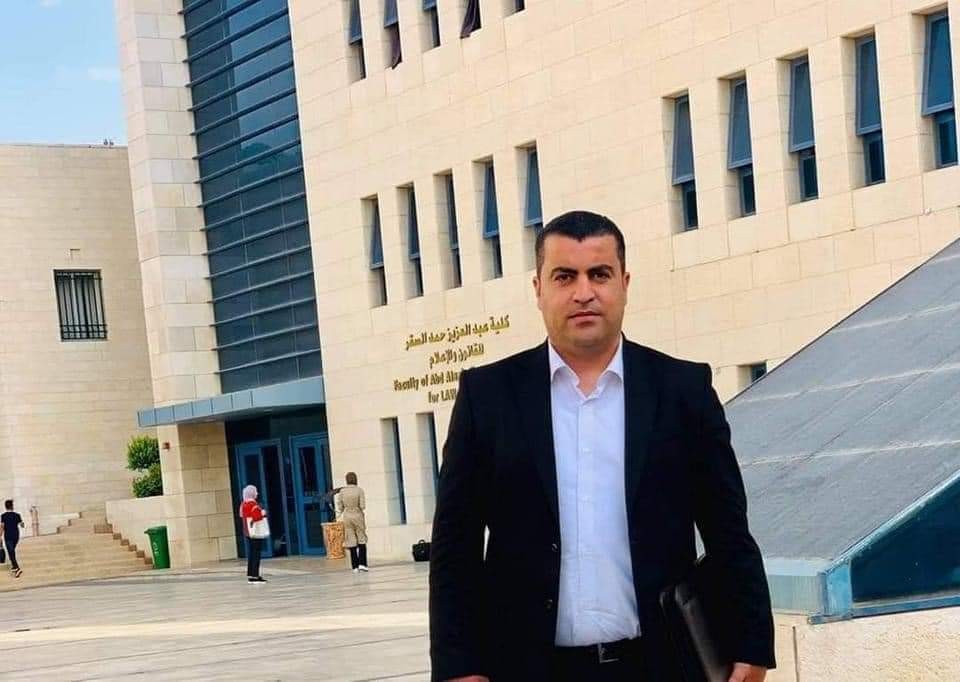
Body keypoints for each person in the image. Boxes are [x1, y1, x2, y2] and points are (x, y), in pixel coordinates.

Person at [429, 211, 775, 681]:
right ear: (538, 288)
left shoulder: (682, 391)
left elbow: (728, 530)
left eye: (599, 274)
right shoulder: (487, 397)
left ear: (624, 284)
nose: (583, 292)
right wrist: (458, 668)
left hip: (661, 666)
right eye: (564, 276)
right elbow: (455, 547)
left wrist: (752, 646)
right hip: (527, 668)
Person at [336, 472, 368, 572]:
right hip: (358, 515)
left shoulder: (342, 491)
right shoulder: (359, 490)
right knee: (361, 538)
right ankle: (362, 563)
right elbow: (362, 506)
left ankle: (355, 566)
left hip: (347, 516)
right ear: (355, 479)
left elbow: (340, 506)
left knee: (351, 540)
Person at [238, 485, 267, 583]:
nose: (257, 494)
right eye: (255, 492)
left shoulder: (243, 504)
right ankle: (255, 575)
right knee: (256, 553)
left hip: (248, 532)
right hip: (255, 532)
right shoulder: (252, 504)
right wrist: (263, 513)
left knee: (252, 552)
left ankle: (251, 574)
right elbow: (256, 517)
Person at [1, 500, 24, 579]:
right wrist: (21, 523)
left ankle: (17, 568)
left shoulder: (3, 516)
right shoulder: (17, 515)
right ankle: (14, 567)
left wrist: (0, 535)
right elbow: (22, 525)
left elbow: (2, 527)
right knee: (11, 552)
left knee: (11, 552)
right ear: (12, 506)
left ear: (5, 507)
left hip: (8, 536)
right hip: (16, 536)